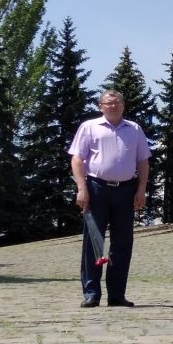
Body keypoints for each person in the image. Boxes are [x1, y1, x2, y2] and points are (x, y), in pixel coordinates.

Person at [69, 90, 151, 308]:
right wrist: (81, 188)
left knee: (123, 243)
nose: (114, 106)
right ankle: (91, 293)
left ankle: (116, 294)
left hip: (126, 191)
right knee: (94, 242)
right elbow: (77, 159)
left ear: (124, 105)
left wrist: (141, 189)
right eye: (109, 103)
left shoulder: (134, 129)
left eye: (118, 103)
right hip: (97, 189)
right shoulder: (89, 127)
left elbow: (143, 161)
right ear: (100, 106)